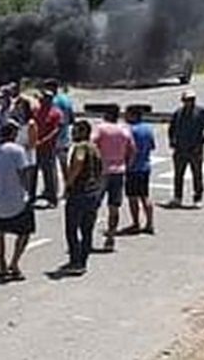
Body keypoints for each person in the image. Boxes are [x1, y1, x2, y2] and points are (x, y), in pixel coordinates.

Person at [0, 121, 33, 281]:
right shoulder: (18, 151)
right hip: (17, 199)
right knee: (24, 232)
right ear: (13, 134)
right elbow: (24, 173)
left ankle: (1, 264)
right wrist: (29, 191)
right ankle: (15, 263)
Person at [61, 120, 103, 275]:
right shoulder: (95, 148)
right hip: (92, 192)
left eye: (76, 131)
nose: (73, 134)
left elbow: (78, 161)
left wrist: (69, 182)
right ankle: (83, 260)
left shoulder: (81, 147)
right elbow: (101, 170)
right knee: (87, 229)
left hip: (79, 191)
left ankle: (75, 260)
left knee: (72, 228)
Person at [92, 105, 135, 253]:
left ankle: (88, 235)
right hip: (119, 170)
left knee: (94, 204)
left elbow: (92, 144)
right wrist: (126, 164)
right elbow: (132, 150)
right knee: (114, 206)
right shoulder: (125, 130)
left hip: (102, 171)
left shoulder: (101, 128)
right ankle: (111, 237)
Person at [168, 90, 204, 208]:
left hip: (195, 149)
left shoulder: (201, 112)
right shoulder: (178, 113)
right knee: (178, 174)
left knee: (197, 174)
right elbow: (171, 128)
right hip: (180, 149)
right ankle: (177, 197)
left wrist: (202, 142)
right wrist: (172, 141)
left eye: (192, 99)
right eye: (187, 100)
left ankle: (197, 198)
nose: (189, 102)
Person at [123, 105, 157, 235]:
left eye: (127, 114)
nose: (125, 117)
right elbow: (152, 146)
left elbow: (128, 149)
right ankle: (149, 223)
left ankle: (136, 223)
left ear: (133, 115)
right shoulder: (148, 129)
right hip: (145, 166)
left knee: (132, 197)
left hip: (133, 168)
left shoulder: (131, 130)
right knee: (145, 196)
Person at [33, 89, 64, 207]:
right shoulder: (37, 111)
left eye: (44, 98)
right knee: (33, 172)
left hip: (48, 147)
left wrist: (43, 140)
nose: (42, 100)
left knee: (49, 172)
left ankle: (52, 198)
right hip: (35, 145)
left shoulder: (56, 113)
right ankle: (32, 195)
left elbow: (56, 130)